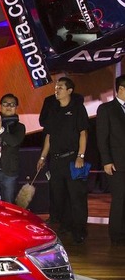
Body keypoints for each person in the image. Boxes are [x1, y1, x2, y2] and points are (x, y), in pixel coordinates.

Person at [37, 77, 90, 244]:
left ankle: (79, 230)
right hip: (56, 160)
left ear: (69, 90)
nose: (57, 89)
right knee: (59, 196)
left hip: (73, 158)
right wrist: (43, 156)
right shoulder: (53, 110)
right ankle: (65, 225)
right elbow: (49, 136)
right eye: (56, 87)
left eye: (60, 87)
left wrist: (80, 156)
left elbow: (83, 133)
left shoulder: (78, 108)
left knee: (77, 197)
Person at [96, 75, 125, 245]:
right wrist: (106, 160)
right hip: (116, 163)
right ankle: (117, 235)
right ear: (121, 88)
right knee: (119, 198)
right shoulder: (106, 109)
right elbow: (102, 137)